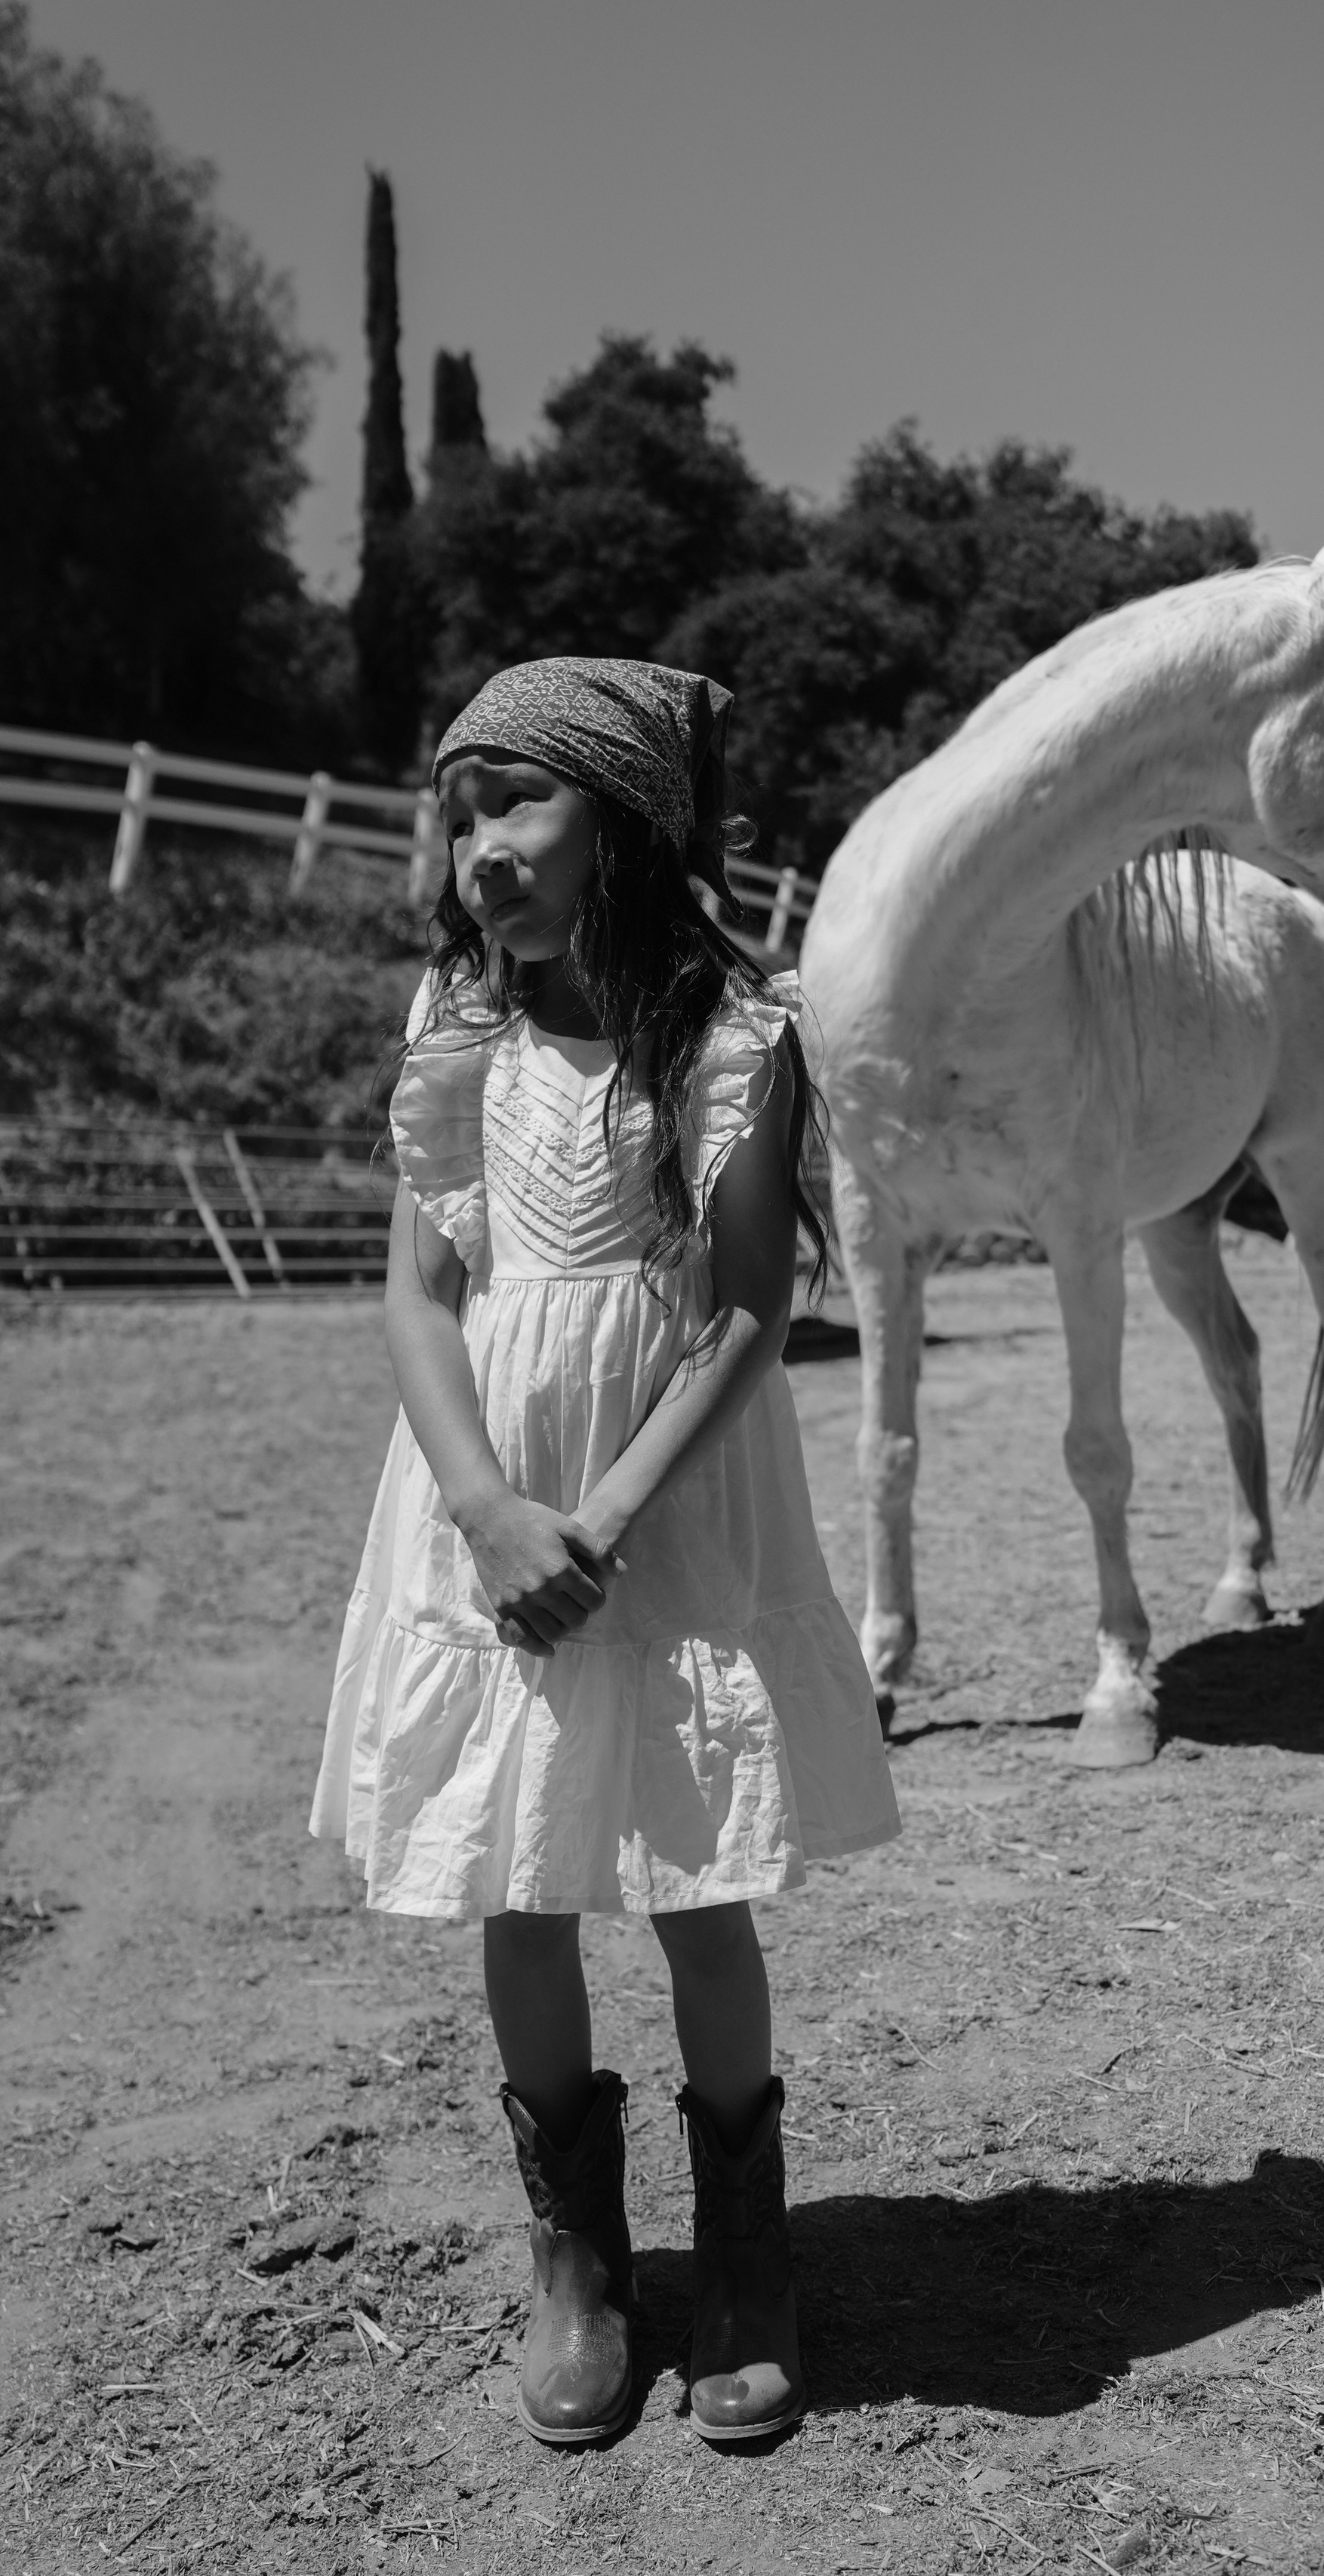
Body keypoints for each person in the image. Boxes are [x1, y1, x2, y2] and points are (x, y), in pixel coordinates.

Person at [310, 658, 900, 2446]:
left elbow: (747, 1309)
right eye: (458, 814)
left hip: (672, 1509)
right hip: (485, 1504)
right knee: (519, 1878)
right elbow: (420, 1297)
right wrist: (490, 1510)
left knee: (696, 1885)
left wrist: (612, 1513)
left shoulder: (732, 1037)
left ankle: (744, 2259)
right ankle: (574, 2260)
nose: (480, 846)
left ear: (622, 824)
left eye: (518, 803)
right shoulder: (453, 1024)